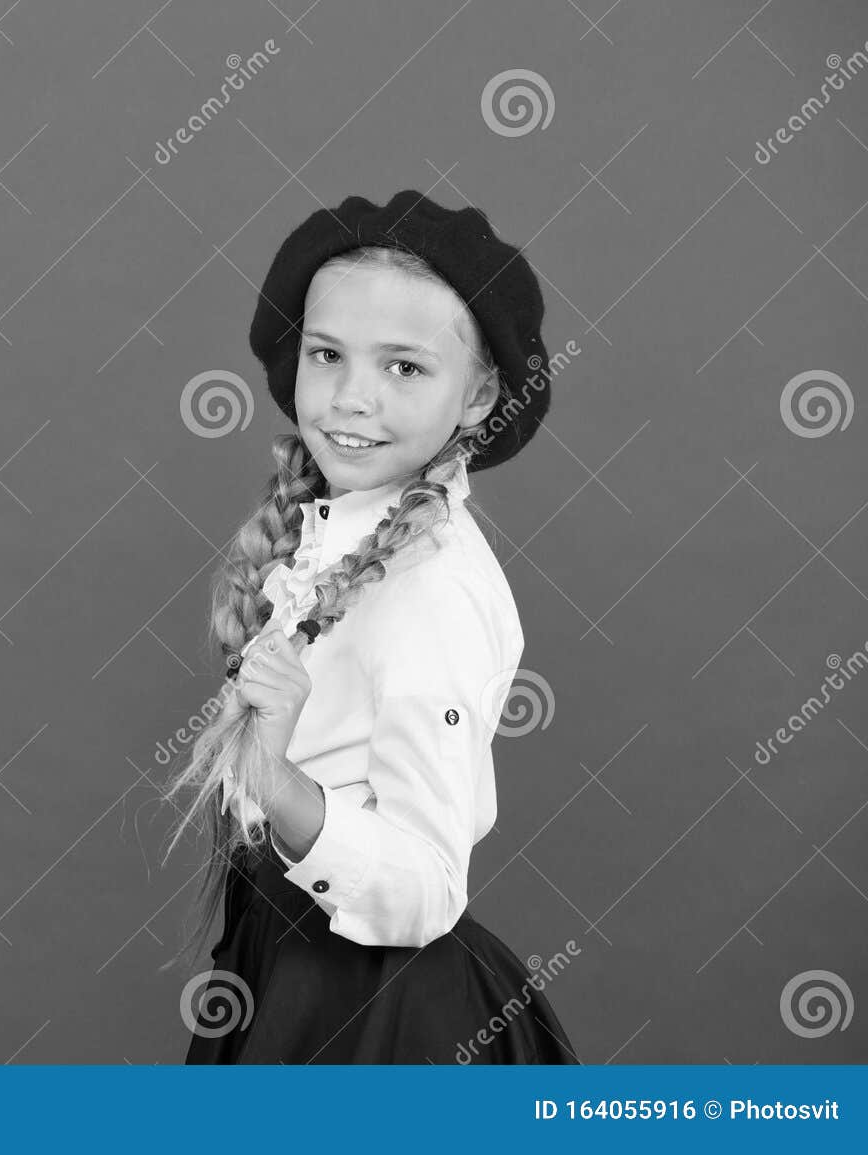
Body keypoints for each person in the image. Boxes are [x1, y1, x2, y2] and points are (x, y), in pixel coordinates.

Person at [164, 191, 580, 1064]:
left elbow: (428, 887)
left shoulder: (435, 590)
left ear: (480, 396)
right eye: (329, 354)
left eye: (404, 368)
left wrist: (276, 782)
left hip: (378, 1016)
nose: (352, 398)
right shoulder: (335, 530)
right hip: (287, 964)